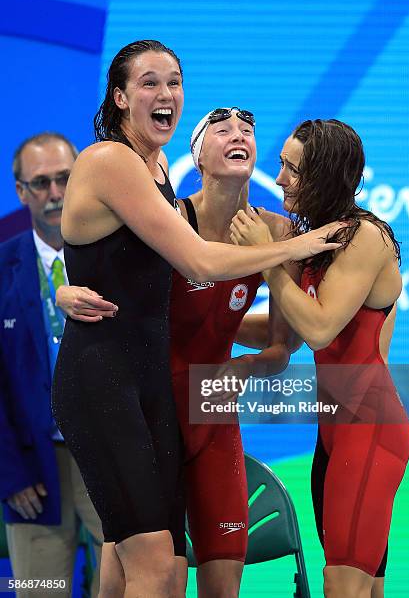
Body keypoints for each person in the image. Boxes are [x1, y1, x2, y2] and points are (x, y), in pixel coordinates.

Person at [51, 40, 343, 598]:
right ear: (118, 97)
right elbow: (199, 261)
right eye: (149, 83)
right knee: (156, 566)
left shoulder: (156, 165)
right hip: (103, 380)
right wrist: (290, 247)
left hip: (153, 388)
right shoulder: (110, 160)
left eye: (175, 82)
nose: (166, 94)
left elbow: (141, 281)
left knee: (144, 563)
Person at [230, 119, 409, 598]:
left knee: (341, 586)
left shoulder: (366, 237)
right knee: (362, 587)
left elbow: (319, 326)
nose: (281, 178)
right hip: (334, 435)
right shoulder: (318, 239)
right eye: (282, 165)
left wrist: (268, 258)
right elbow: (286, 335)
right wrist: (205, 328)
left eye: (292, 168)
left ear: (325, 175)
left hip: (369, 432)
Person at [0, 132, 103, 597]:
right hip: (32, 468)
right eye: (41, 183)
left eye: (65, 178)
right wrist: (9, 474)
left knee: (127, 586)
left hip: (110, 456)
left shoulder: (118, 255)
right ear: (20, 191)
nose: (56, 193)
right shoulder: (2, 267)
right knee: (40, 591)